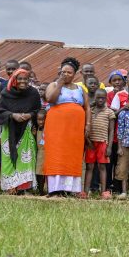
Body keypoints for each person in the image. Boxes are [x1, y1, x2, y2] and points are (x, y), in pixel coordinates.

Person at [41, 58, 89, 196]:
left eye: (69, 72)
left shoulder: (80, 89)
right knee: (56, 153)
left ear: (75, 74)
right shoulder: (53, 84)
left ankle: (69, 189)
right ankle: (55, 189)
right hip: (56, 127)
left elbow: (87, 108)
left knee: (72, 155)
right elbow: (50, 99)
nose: (66, 74)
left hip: (75, 129)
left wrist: (88, 125)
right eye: (63, 72)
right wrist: (60, 84)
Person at [0, 69, 41, 193]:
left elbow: (38, 110)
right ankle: (11, 187)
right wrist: (13, 115)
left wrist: (29, 115)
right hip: (9, 128)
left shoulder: (33, 93)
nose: (22, 81)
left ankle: (24, 188)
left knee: (26, 157)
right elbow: (0, 111)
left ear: (28, 80)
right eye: (19, 79)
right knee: (7, 158)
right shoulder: (7, 92)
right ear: (14, 80)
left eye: (25, 79)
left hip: (26, 128)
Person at [84, 90, 115, 199]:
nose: (100, 100)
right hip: (90, 143)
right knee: (89, 166)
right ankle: (85, 191)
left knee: (102, 166)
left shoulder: (109, 112)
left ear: (106, 98)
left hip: (103, 142)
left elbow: (111, 131)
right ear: (94, 98)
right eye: (98, 98)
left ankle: (104, 191)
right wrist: (87, 142)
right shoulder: (90, 111)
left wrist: (109, 146)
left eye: (102, 98)